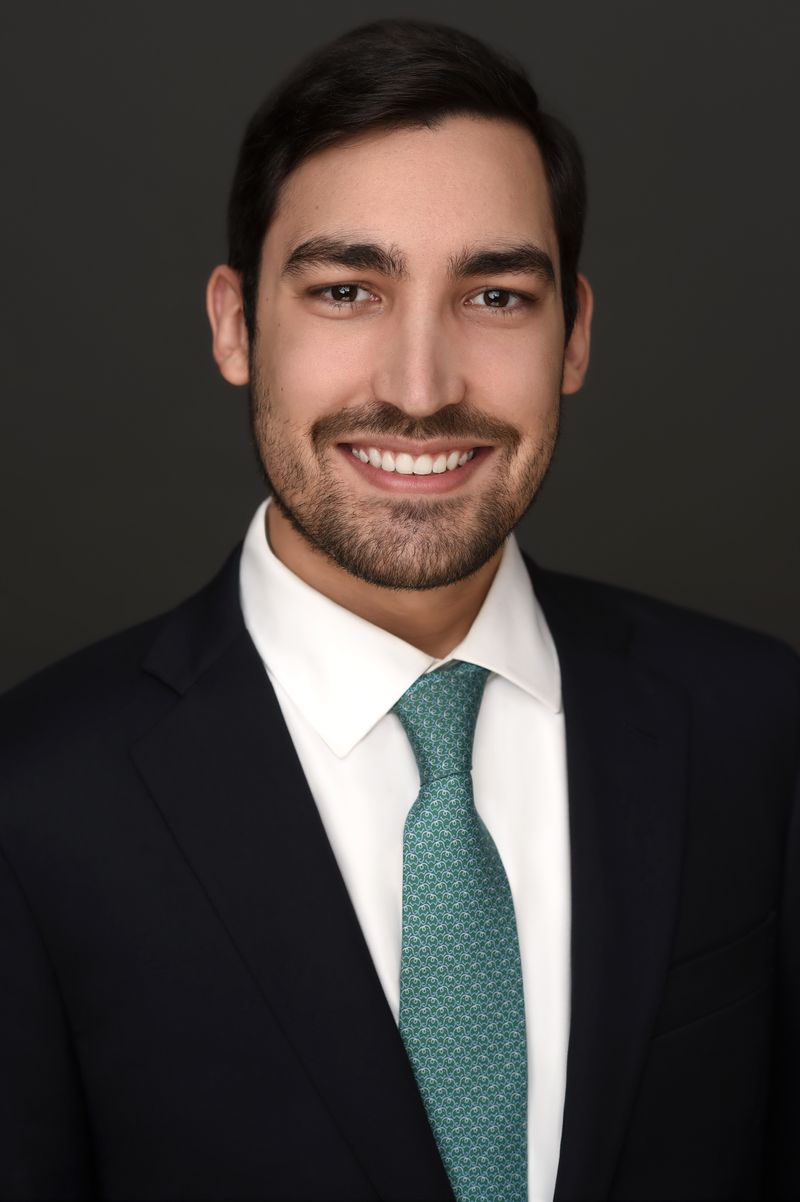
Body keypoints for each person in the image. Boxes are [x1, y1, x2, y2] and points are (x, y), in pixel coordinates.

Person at [0, 17, 797, 1202]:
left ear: (573, 334)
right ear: (234, 324)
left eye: (494, 294)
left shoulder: (758, 729)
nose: (419, 389)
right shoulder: (30, 805)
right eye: (345, 290)